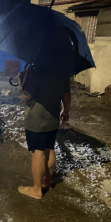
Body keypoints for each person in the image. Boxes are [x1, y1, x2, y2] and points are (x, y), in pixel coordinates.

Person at [16, 66, 71, 199]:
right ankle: (46, 182)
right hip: (52, 118)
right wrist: (66, 111)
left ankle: (36, 189)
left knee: (37, 153)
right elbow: (66, 94)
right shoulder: (62, 70)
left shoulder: (34, 68)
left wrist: (20, 81)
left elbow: (27, 95)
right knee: (49, 149)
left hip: (36, 119)